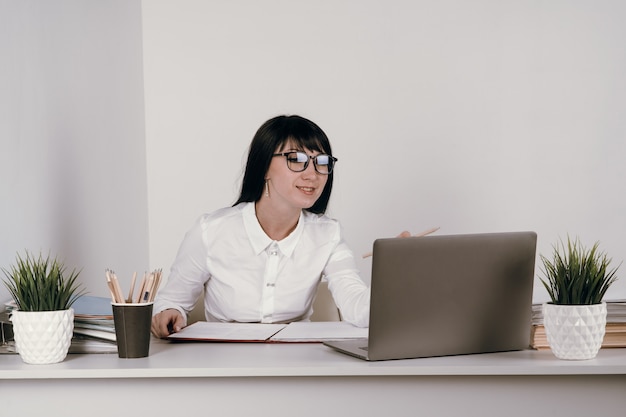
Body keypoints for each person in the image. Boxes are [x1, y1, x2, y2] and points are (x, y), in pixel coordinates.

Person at [151, 115, 371, 338]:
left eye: (322, 162)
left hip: (297, 362)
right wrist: (170, 312)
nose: (312, 174)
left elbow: (358, 308)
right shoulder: (211, 230)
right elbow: (172, 301)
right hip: (222, 360)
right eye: (296, 159)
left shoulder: (328, 234)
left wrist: (399, 273)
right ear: (264, 166)